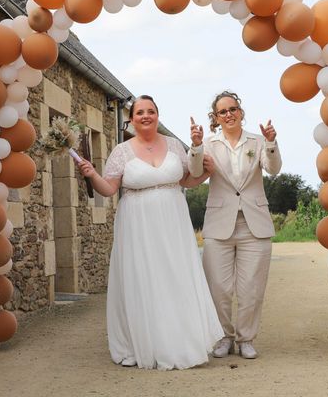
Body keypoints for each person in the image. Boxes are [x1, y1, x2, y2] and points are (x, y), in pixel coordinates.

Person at [76, 95, 223, 370]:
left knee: (175, 276)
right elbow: (108, 189)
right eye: (140, 112)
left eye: (151, 111)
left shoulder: (174, 145)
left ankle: (181, 342)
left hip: (173, 222)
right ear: (131, 119)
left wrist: (206, 174)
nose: (146, 116)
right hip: (137, 224)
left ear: (158, 115)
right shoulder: (121, 151)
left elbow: (187, 181)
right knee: (144, 278)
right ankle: (145, 342)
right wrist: (91, 173)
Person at [188, 90, 282, 359]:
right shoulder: (207, 143)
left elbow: (273, 169)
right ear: (215, 118)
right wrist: (195, 147)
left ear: (240, 112)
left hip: (255, 224)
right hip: (219, 224)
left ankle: (246, 339)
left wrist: (272, 143)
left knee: (251, 288)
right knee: (218, 287)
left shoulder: (258, 140)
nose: (229, 114)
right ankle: (223, 338)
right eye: (222, 112)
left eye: (233, 109)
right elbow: (195, 172)